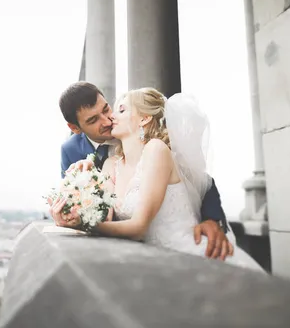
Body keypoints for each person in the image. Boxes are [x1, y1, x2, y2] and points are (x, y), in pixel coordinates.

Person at [52, 87, 264, 271]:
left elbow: (197, 175)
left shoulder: (155, 144)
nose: (108, 119)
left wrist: (212, 218)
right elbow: (92, 208)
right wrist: (70, 214)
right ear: (75, 128)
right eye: (93, 120)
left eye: (107, 109)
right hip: (140, 254)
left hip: (186, 246)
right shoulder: (80, 154)